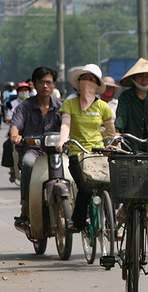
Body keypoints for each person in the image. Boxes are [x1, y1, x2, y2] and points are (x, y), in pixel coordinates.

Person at [56, 64, 114, 232]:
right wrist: (62, 140)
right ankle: (78, 222)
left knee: (112, 188)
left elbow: (110, 132)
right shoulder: (70, 103)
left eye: (91, 79)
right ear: (78, 82)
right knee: (86, 190)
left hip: (99, 153)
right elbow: (65, 124)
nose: (87, 82)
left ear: (97, 85)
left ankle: (111, 224)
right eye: (84, 79)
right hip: (77, 152)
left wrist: (110, 141)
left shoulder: (103, 106)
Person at [10, 67, 62, 229]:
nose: (45, 86)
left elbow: (70, 126)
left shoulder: (61, 108)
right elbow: (15, 125)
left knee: (70, 168)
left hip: (55, 152)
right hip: (31, 150)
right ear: (34, 84)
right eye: (41, 82)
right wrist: (15, 135)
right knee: (27, 163)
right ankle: (25, 209)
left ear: (53, 85)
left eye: (48, 82)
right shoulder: (24, 107)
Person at [115, 58, 148, 152]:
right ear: (134, 78)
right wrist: (117, 133)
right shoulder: (126, 97)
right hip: (131, 145)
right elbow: (121, 119)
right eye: (140, 76)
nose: (144, 80)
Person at [2, 82, 32, 182]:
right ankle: (12, 170)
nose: (23, 92)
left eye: (25, 90)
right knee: (8, 145)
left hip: (32, 132)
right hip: (17, 131)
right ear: (18, 92)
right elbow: (9, 117)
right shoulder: (13, 104)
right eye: (21, 90)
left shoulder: (34, 102)